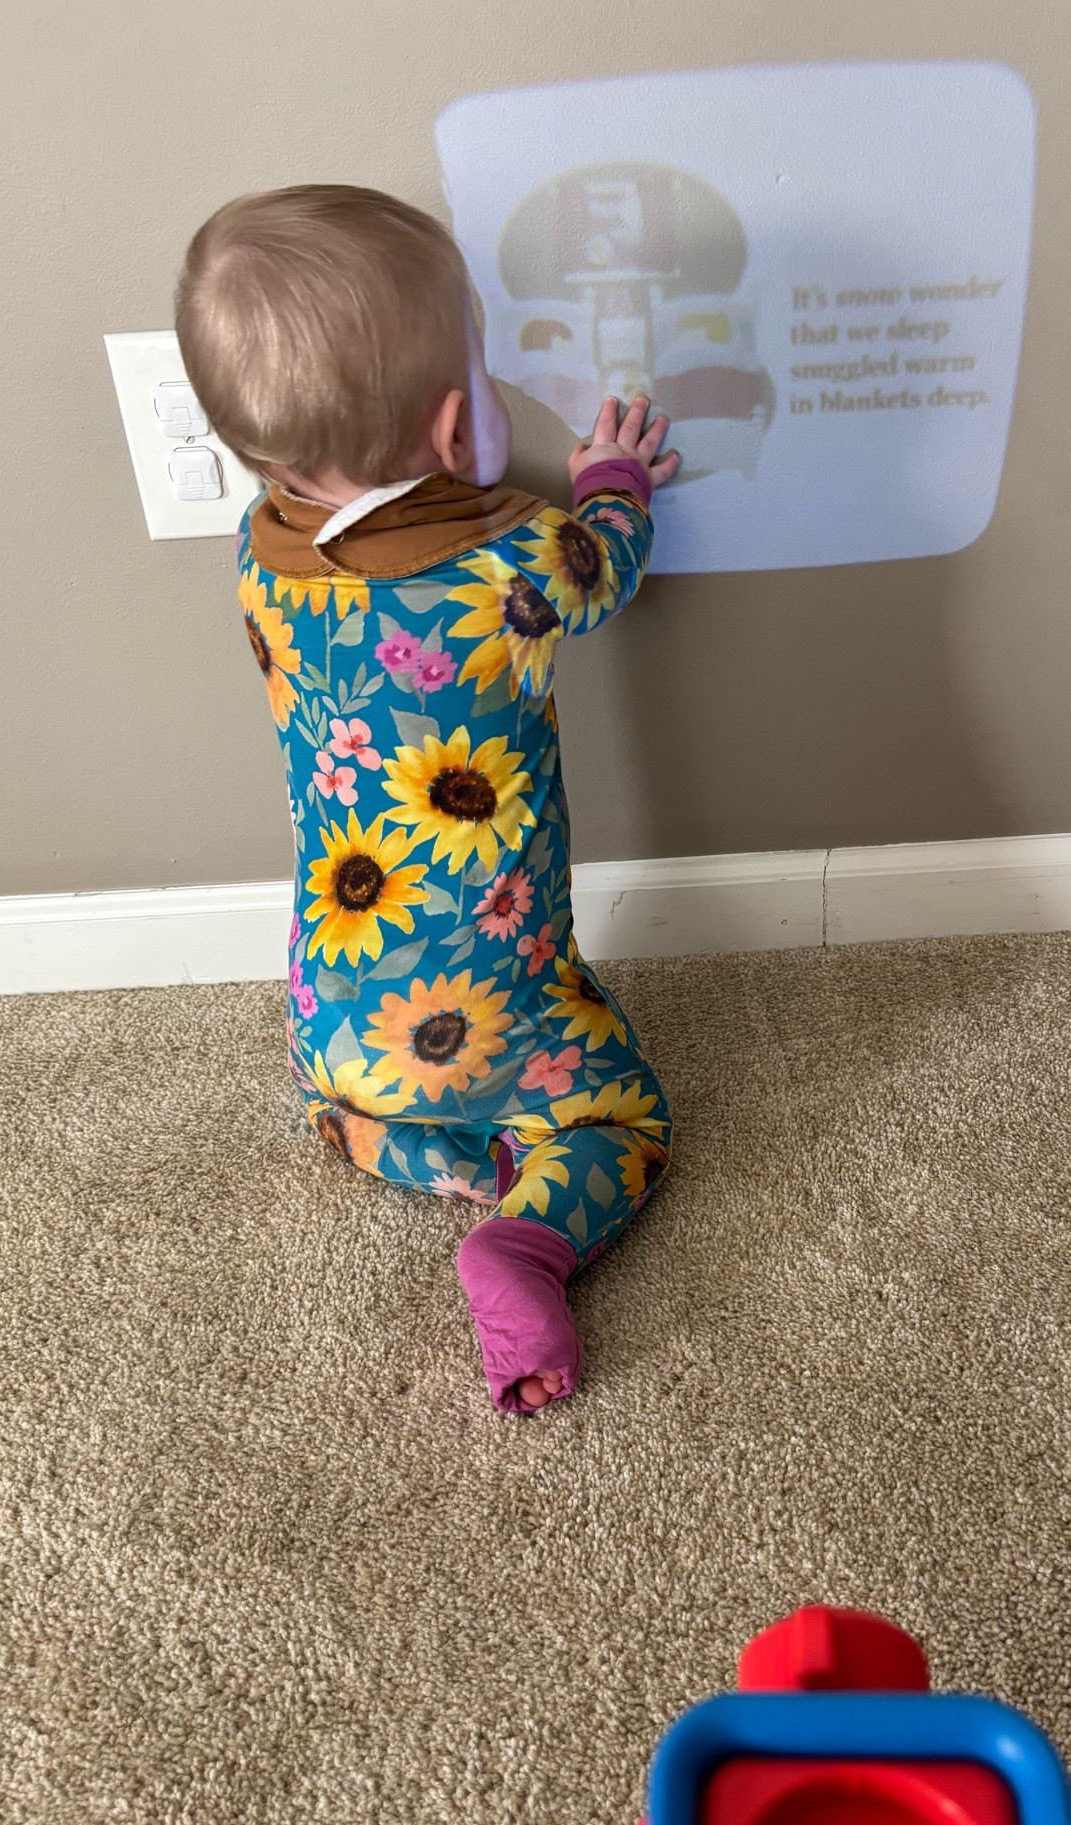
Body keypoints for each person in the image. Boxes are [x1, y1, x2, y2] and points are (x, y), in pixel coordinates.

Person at [176, 184, 678, 1413]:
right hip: (505, 1010)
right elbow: (607, 558)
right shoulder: (517, 565)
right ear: (459, 429)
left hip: (337, 1021)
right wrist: (611, 479)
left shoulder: (258, 557)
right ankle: (526, 1231)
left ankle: (395, 1142)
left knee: (345, 1092)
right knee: (626, 1121)